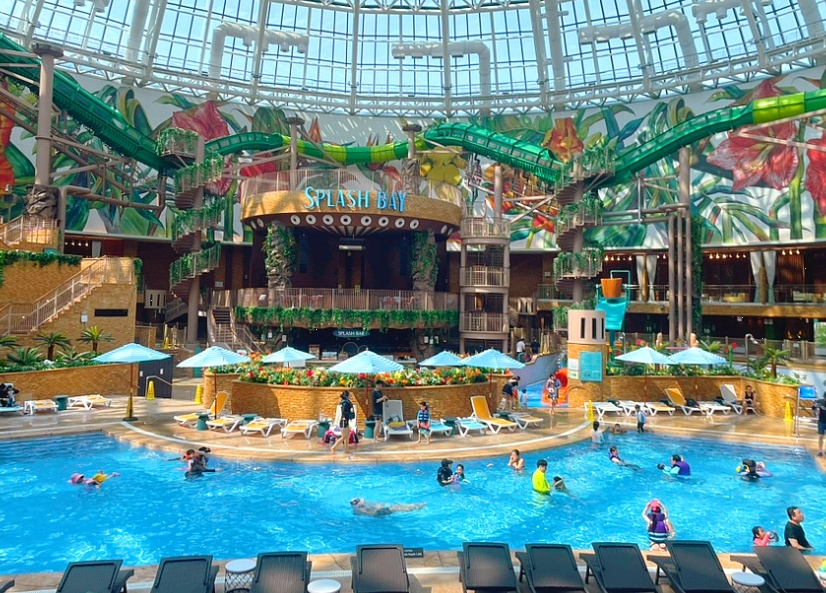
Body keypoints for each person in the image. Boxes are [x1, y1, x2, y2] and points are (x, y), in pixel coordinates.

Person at [350, 498, 426, 517]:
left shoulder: (356, 507)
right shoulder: (359, 508)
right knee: (396, 508)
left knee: (397, 507)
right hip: (377, 513)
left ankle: (414, 506)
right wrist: (378, 508)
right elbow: (370, 514)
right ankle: (416, 507)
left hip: (377, 512)